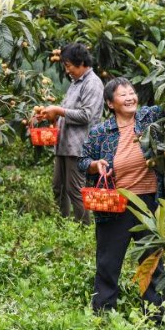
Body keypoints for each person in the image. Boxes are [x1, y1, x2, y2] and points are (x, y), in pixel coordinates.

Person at [78, 77, 165, 320]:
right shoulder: (100, 132)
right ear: (110, 103)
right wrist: (94, 164)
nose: (130, 97)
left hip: (148, 203)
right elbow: (82, 160)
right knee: (108, 264)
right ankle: (102, 315)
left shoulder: (149, 118)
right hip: (114, 205)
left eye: (132, 93)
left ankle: (154, 317)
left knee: (151, 262)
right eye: (123, 95)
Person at [41, 43, 104, 225]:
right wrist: (53, 117)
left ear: (82, 62)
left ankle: (83, 227)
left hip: (79, 146)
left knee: (75, 189)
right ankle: (63, 224)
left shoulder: (92, 83)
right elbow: (67, 112)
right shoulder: (76, 83)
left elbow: (86, 115)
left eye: (68, 65)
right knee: (58, 187)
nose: (66, 70)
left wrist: (58, 110)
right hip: (64, 143)